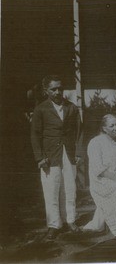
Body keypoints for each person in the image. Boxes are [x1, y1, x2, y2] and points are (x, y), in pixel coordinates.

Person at [31, 75, 82, 239]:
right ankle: (54, 224)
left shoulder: (72, 108)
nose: (58, 92)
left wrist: (79, 153)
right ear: (46, 91)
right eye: (53, 89)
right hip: (50, 156)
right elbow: (35, 135)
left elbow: (80, 132)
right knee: (51, 190)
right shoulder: (41, 109)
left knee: (70, 188)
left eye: (60, 88)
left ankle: (71, 220)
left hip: (69, 154)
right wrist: (40, 157)